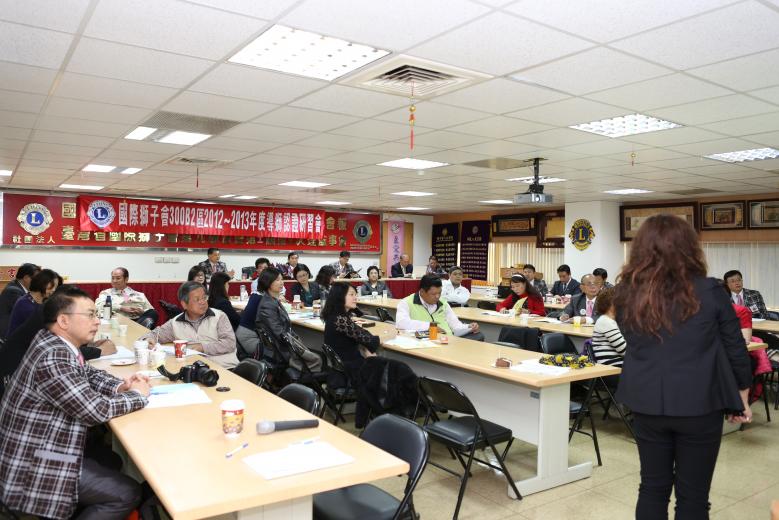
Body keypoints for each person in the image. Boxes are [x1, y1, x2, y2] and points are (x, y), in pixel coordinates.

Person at [614, 214, 752, 520]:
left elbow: (631, 338)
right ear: (689, 247)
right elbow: (735, 347)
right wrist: (742, 395)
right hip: (700, 402)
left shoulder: (626, 292)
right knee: (693, 496)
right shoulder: (711, 290)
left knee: (652, 487)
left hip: (646, 401)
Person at [0, 286, 149, 520]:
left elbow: (87, 373)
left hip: (41, 445)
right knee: (126, 493)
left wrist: (121, 386)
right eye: (90, 315)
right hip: (31, 463)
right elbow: (95, 410)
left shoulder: (53, 341)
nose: (97, 321)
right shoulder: (53, 356)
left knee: (112, 459)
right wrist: (138, 395)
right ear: (63, 321)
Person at [323, 283, 416, 427]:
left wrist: (369, 346)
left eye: (355, 294)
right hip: (351, 369)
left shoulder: (336, 317)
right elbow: (370, 341)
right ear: (340, 297)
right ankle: (402, 408)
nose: (355, 298)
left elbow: (362, 335)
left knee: (388, 365)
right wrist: (389, 335)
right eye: (351, 295)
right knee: (397, 368)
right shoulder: (340, 319)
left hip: (346, 365)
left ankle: (402, 408)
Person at [142, 281, 239, 369]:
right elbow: (154, 335)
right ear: (184, 304)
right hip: (195, 370)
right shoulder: (175, 323)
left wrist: (202, 348)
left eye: (204, 297)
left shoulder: (219, 316)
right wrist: (148, 340)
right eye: (197, 299)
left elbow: (229, 343)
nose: (203, 302)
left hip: (225, 368)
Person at [255, 268, 322, 371]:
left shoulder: (273, 300)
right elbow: (279, 333)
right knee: (319, 359)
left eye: (282, 279)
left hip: (285, 346)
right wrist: (298, 347)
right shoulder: (268, 304)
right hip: (282, 351)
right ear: (268, 282)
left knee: (315, 354)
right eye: (277, 280)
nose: (282, 282)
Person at [396, 275, 484, 340]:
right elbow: (401, 323)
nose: (437, 297)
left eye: (439, 293)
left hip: (448, 340)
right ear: (422, 292)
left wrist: (468, 327)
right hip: (426, 341)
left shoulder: (443, 303)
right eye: (433, 294)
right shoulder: (406, 303)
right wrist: (430, 326)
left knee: (479, 335)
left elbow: (455, 325)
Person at [7, 268, 60, 336]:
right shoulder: (25, 304)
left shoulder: (40, 300)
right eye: (53, 286)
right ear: (42, 283)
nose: (54, 290)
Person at [0, 262, 40, 339]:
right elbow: (28, 312)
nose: (38, 283)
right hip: (7, 337)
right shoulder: (13, 291)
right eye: (36, 279)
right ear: (26, 278)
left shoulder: (17, 286)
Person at [591, 288, 626, 369]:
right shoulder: (606, 321)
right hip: (613, 367)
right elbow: (624, 350)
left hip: (620, 365)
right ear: (612, 304)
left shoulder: (614, 321)